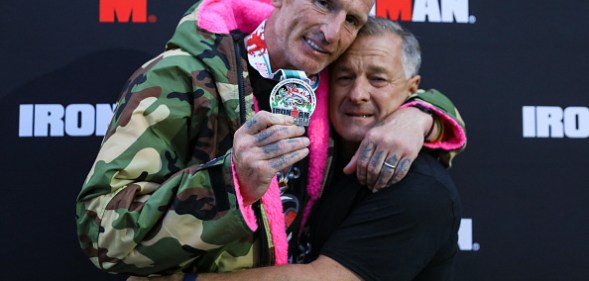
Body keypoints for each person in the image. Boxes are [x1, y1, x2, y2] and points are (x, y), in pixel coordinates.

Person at [76, 0, 466, 277]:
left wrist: (420, 117)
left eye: (352, 19)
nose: (332, 32)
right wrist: (231, 184)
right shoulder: (178, 78)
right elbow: (101, 234)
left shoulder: (331, 79)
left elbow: (390, 87)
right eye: (322, 2)